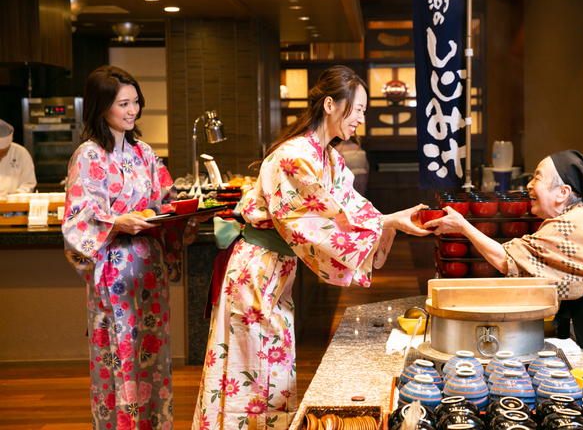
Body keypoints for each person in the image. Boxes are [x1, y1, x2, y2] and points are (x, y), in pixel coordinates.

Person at [192, 66, 430, 430]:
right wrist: (389, 222)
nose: (362, 119)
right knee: (250, 373)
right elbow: (321, 221)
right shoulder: (294, 155)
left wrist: (393, 219)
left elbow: (349, 205)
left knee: (272, 371)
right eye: (360, 109)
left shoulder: (328, 157)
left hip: (275, 271)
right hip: (255, 272)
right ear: (331, 105)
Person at [425, 150, 583, 401]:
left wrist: (463, 226)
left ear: (562, 193)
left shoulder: (571, 224)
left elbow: (506, 260)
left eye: (537, 178)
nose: (529, 185)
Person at [63, 66, 211, 430]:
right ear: (101, 108)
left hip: (149, 270)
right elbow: (77, 219)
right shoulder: (89, 155)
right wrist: (117, 221)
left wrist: (190, 214)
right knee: (119, 355)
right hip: (114, 271)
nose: (133, 111)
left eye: (135, 102)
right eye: (123, 104)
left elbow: (164, 201)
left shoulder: (144, 152)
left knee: (153, 356)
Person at [0, 119, 36, 196]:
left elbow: (28, 184)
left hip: (14, 205)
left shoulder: (21, 153)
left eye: (3, 153)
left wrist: (14, 198)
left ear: (11, 141)